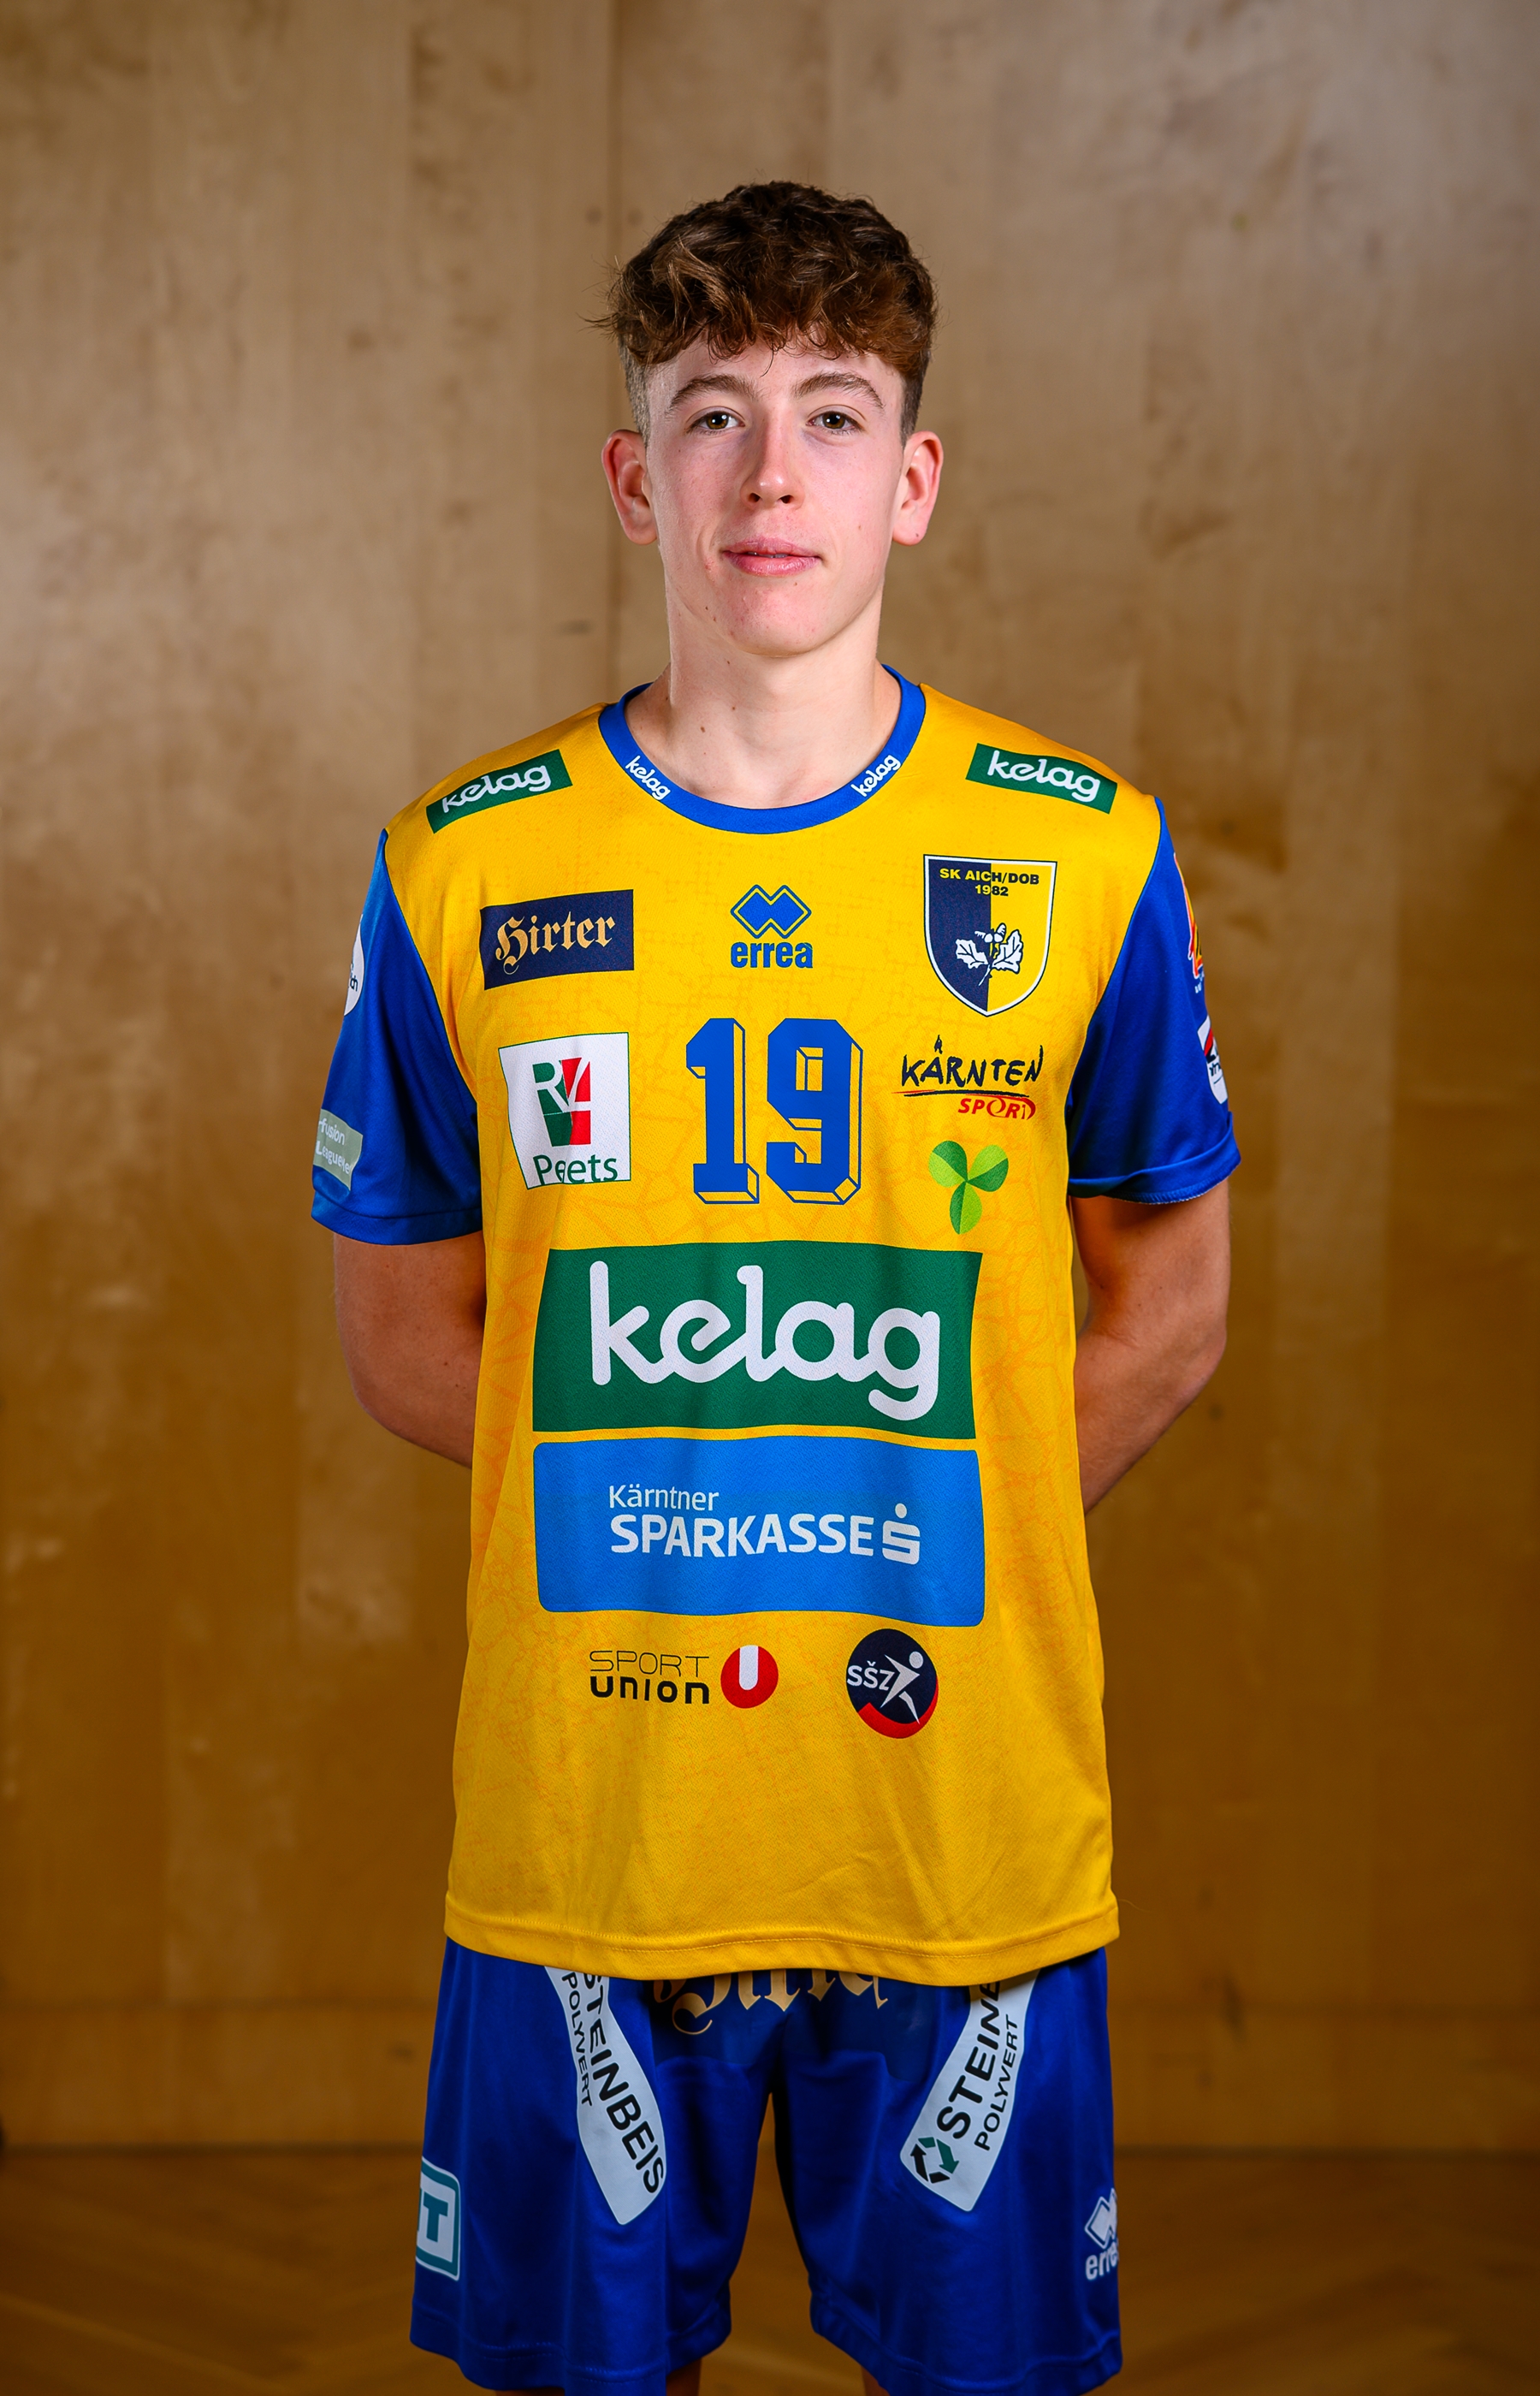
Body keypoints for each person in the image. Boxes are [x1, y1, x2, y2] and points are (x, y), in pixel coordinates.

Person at [311, 181, 1235, 2396]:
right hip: (596, 1831)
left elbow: (1172, 1307)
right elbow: (408, 1335)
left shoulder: (1080, 850)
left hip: (957, 1826)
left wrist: (924, 1505)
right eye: (712, 413)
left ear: (913, 479)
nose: (771, 474)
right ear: (637, 478)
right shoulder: (463, 861)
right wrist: (701, 1494)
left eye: (833, 413)